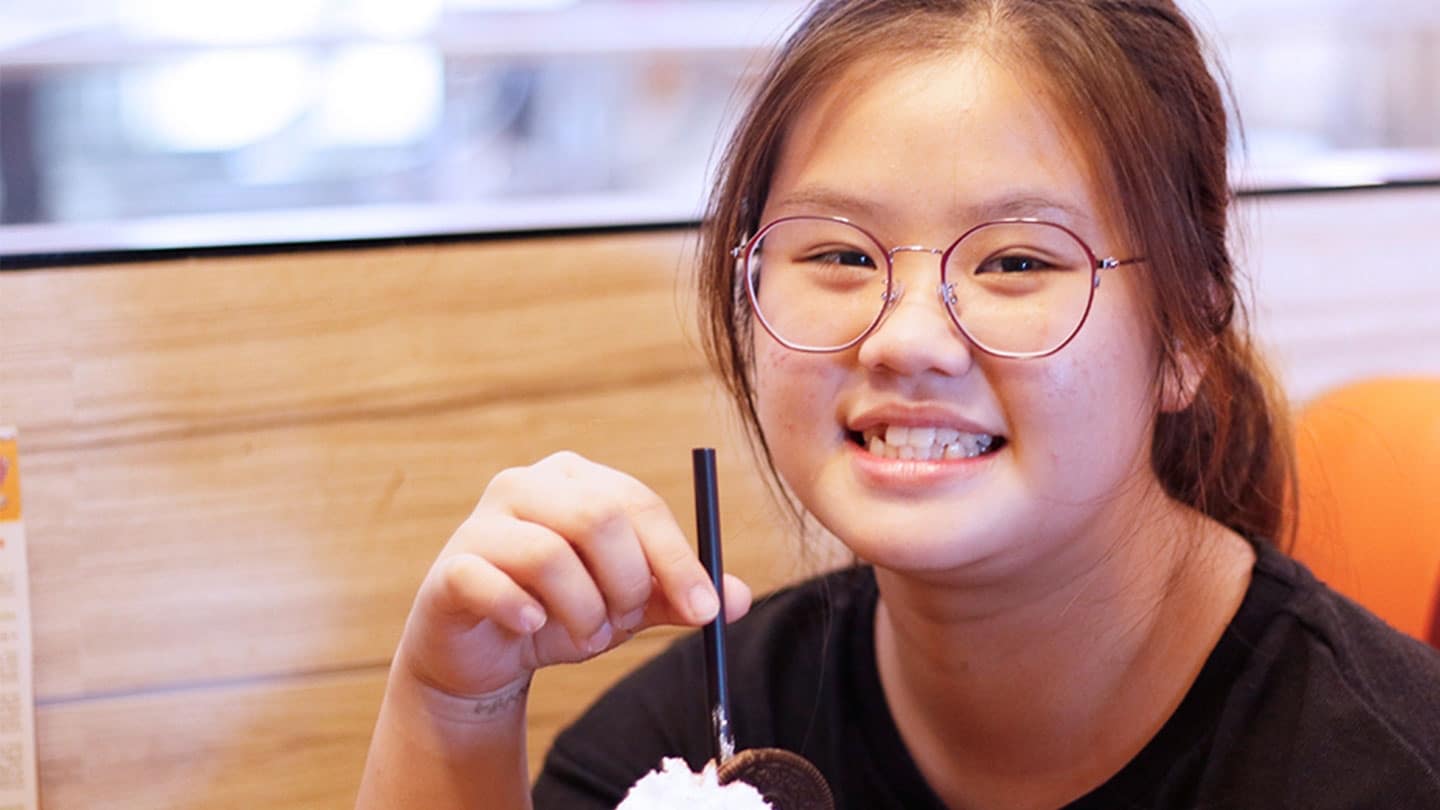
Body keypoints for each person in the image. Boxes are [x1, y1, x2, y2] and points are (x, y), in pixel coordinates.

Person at [356, 1, 1440, 807]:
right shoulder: (688, 743)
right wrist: (452, 704)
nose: (907, 336)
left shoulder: (1376, 767)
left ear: (1188, 332)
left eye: (1018, 262)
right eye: (835, 252)